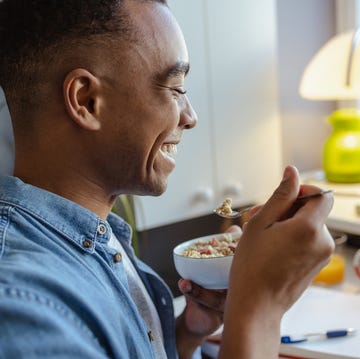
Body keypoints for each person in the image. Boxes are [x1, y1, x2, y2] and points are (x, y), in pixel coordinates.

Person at [0, 1, 334, 358]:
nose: (190, 117)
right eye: (175, 88)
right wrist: (260, 306)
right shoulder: (22, 304)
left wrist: (185, 334)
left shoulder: (101, 238)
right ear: (87, 100)